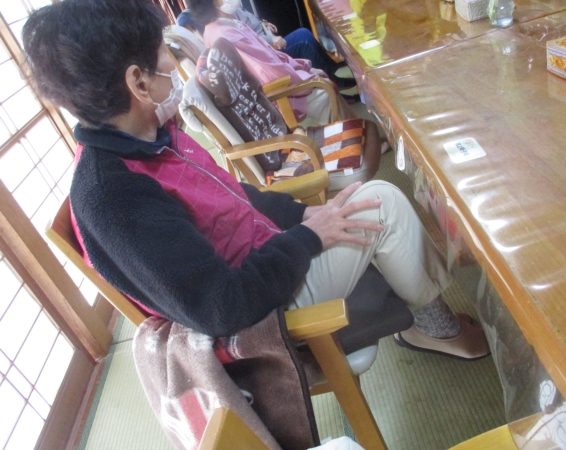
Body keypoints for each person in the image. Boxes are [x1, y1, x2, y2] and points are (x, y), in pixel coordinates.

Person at [23, 0, 489, 360]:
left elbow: (232, 193)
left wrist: (305, 213)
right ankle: (434, 328)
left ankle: (425, 314)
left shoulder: (148, 134)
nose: (173, 64)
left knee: (362, 203)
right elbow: (223, 308)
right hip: (263, 316)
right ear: (138, 83)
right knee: (382, 203)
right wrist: (309, 236)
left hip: (268, 257)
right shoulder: (114, 198)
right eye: (164, 54)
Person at [187, 0, 353, 125]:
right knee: (326, 93)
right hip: (271, 98)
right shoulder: (225, 35)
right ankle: (354, 142)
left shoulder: (229, 25)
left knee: (321, 80)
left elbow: (273, 56)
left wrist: (306, 68)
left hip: (273, 85)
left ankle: (354, 137)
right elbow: (270, 74)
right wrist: (308, 77)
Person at [177, 7, 352, 88]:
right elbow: (263, 64)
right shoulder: (222, 31)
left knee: (303, 37)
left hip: (267, 45)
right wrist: (306, 73)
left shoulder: (230, 16)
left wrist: (265, 26)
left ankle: (331, 77)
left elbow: (251, 27)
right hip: (269, 57)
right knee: (304, 38)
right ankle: (333, 80)